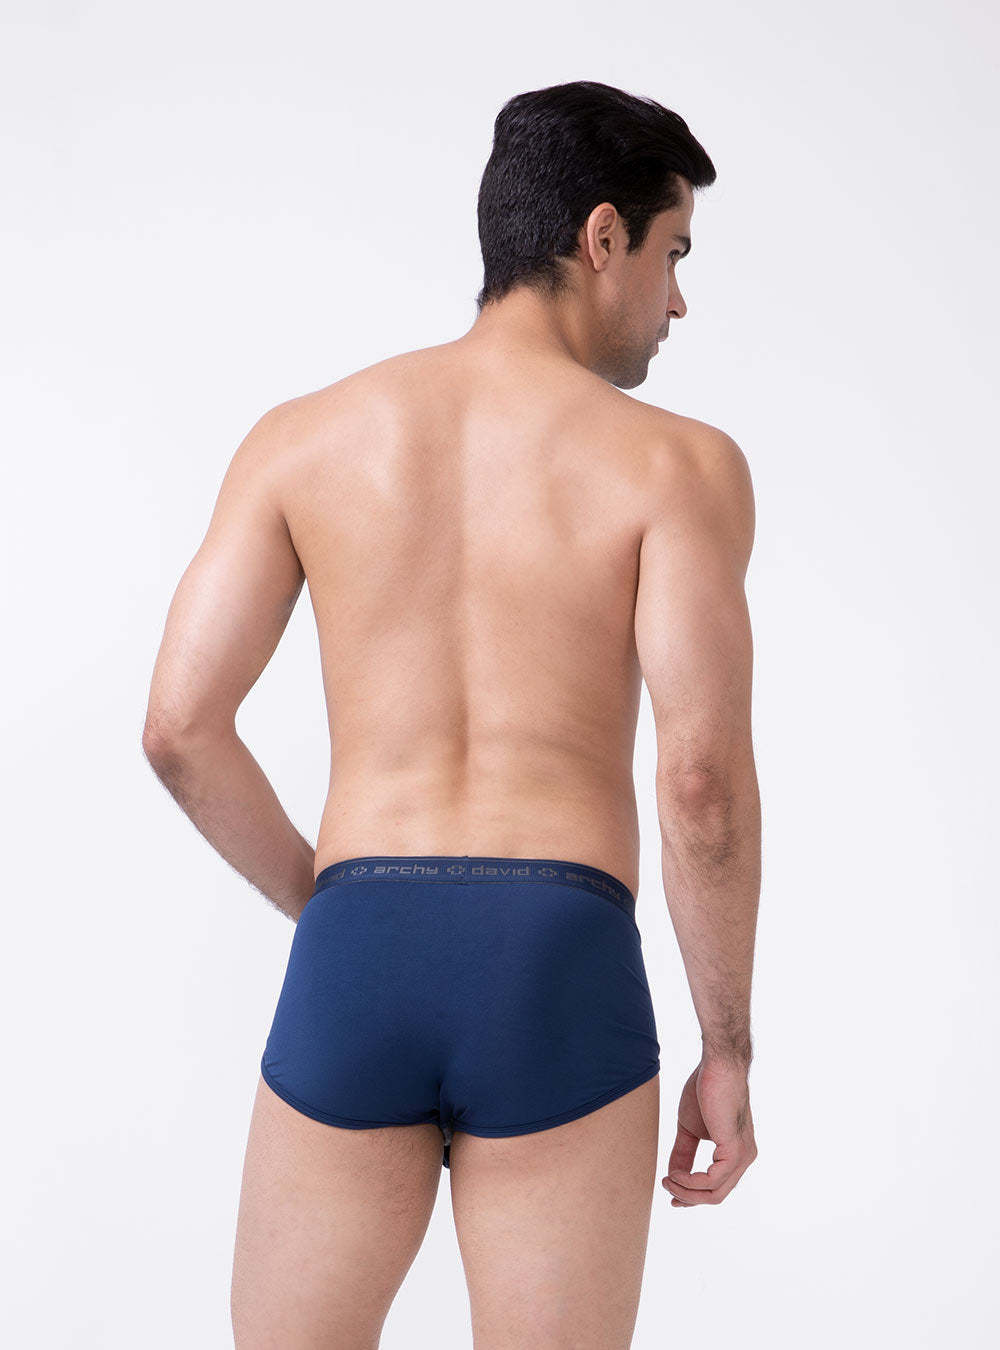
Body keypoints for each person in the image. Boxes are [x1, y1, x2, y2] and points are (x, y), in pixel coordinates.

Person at [142, 79, 761, 1349]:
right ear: (601, 238)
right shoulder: (677, 466)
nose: (677, 302)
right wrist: (727, 1046)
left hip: (358, 945)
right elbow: (698, 781)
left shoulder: (301, 439)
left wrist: (336, 906)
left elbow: (180, 726)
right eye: (674, 254)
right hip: (557, 959)